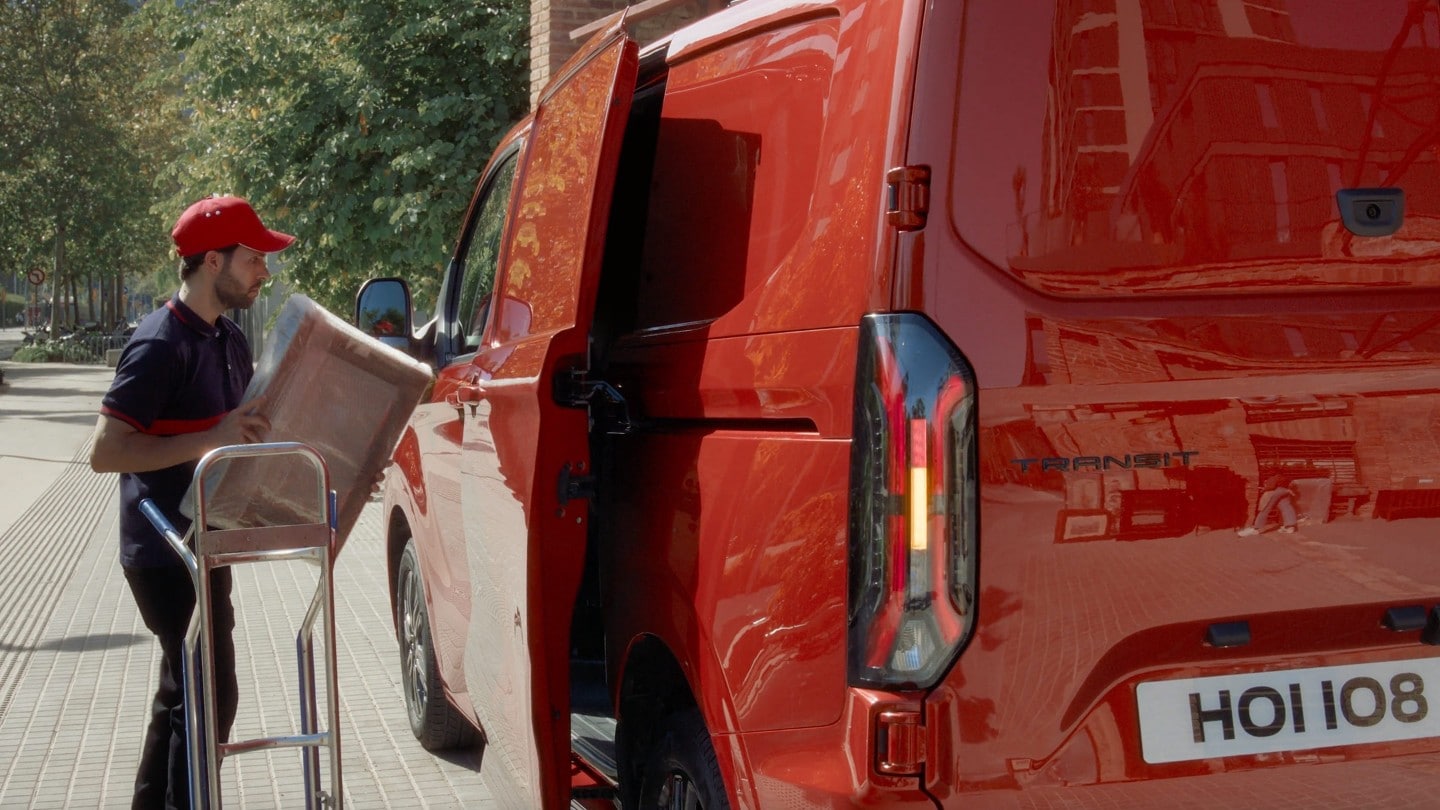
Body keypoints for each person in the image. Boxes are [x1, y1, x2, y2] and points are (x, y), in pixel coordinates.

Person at [89, 195, 293, 810]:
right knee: (208, 697)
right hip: (162, 547)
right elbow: (106, 451)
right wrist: (214, 438)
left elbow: (240, 429)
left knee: (184, 693)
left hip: (209, 536)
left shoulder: (227, 338)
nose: (265, 271)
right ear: (212, 261)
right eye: (255, 258)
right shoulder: (158, 343)